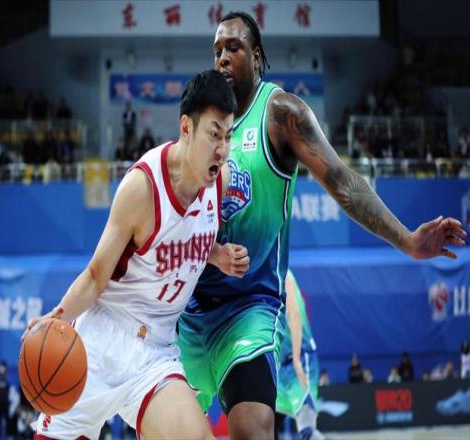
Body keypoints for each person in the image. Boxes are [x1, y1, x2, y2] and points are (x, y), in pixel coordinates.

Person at [177, 11, 466, 440]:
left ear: (256, 57)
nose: (222, 57)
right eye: (217, 49)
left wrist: (407, 240)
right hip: (190, 308)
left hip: (249, 308)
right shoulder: (203, 121)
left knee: (254, 431)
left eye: (233, 48)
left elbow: (344, 183)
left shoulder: (281, 114)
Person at [25, 70, 248, 440]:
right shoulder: (142, 187)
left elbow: (182, 238)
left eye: (228, 135)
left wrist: (216, 254)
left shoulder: (218, 182)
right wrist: (56, 318)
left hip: (155, 354)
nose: (222, 149)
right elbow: (95, 278)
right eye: (214, 134)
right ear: (186, 128)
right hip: (101, 342)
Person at [276, 270, 324, 440]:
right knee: (263, 427)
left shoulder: (284, 274)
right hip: (279, 368)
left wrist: (297, 360)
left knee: (307, 430)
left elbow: (294, 316)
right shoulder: (260, 274)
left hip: (300, 360)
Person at [0, 360, 11, 440]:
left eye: (3, 367)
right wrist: (0, 376)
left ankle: (9, 435)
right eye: (1, 367)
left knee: (7, 419)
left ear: (6, 368)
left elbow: (8, 387)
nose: (2, 368)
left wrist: (4, 376)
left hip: (6, 402)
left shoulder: (7, 378)